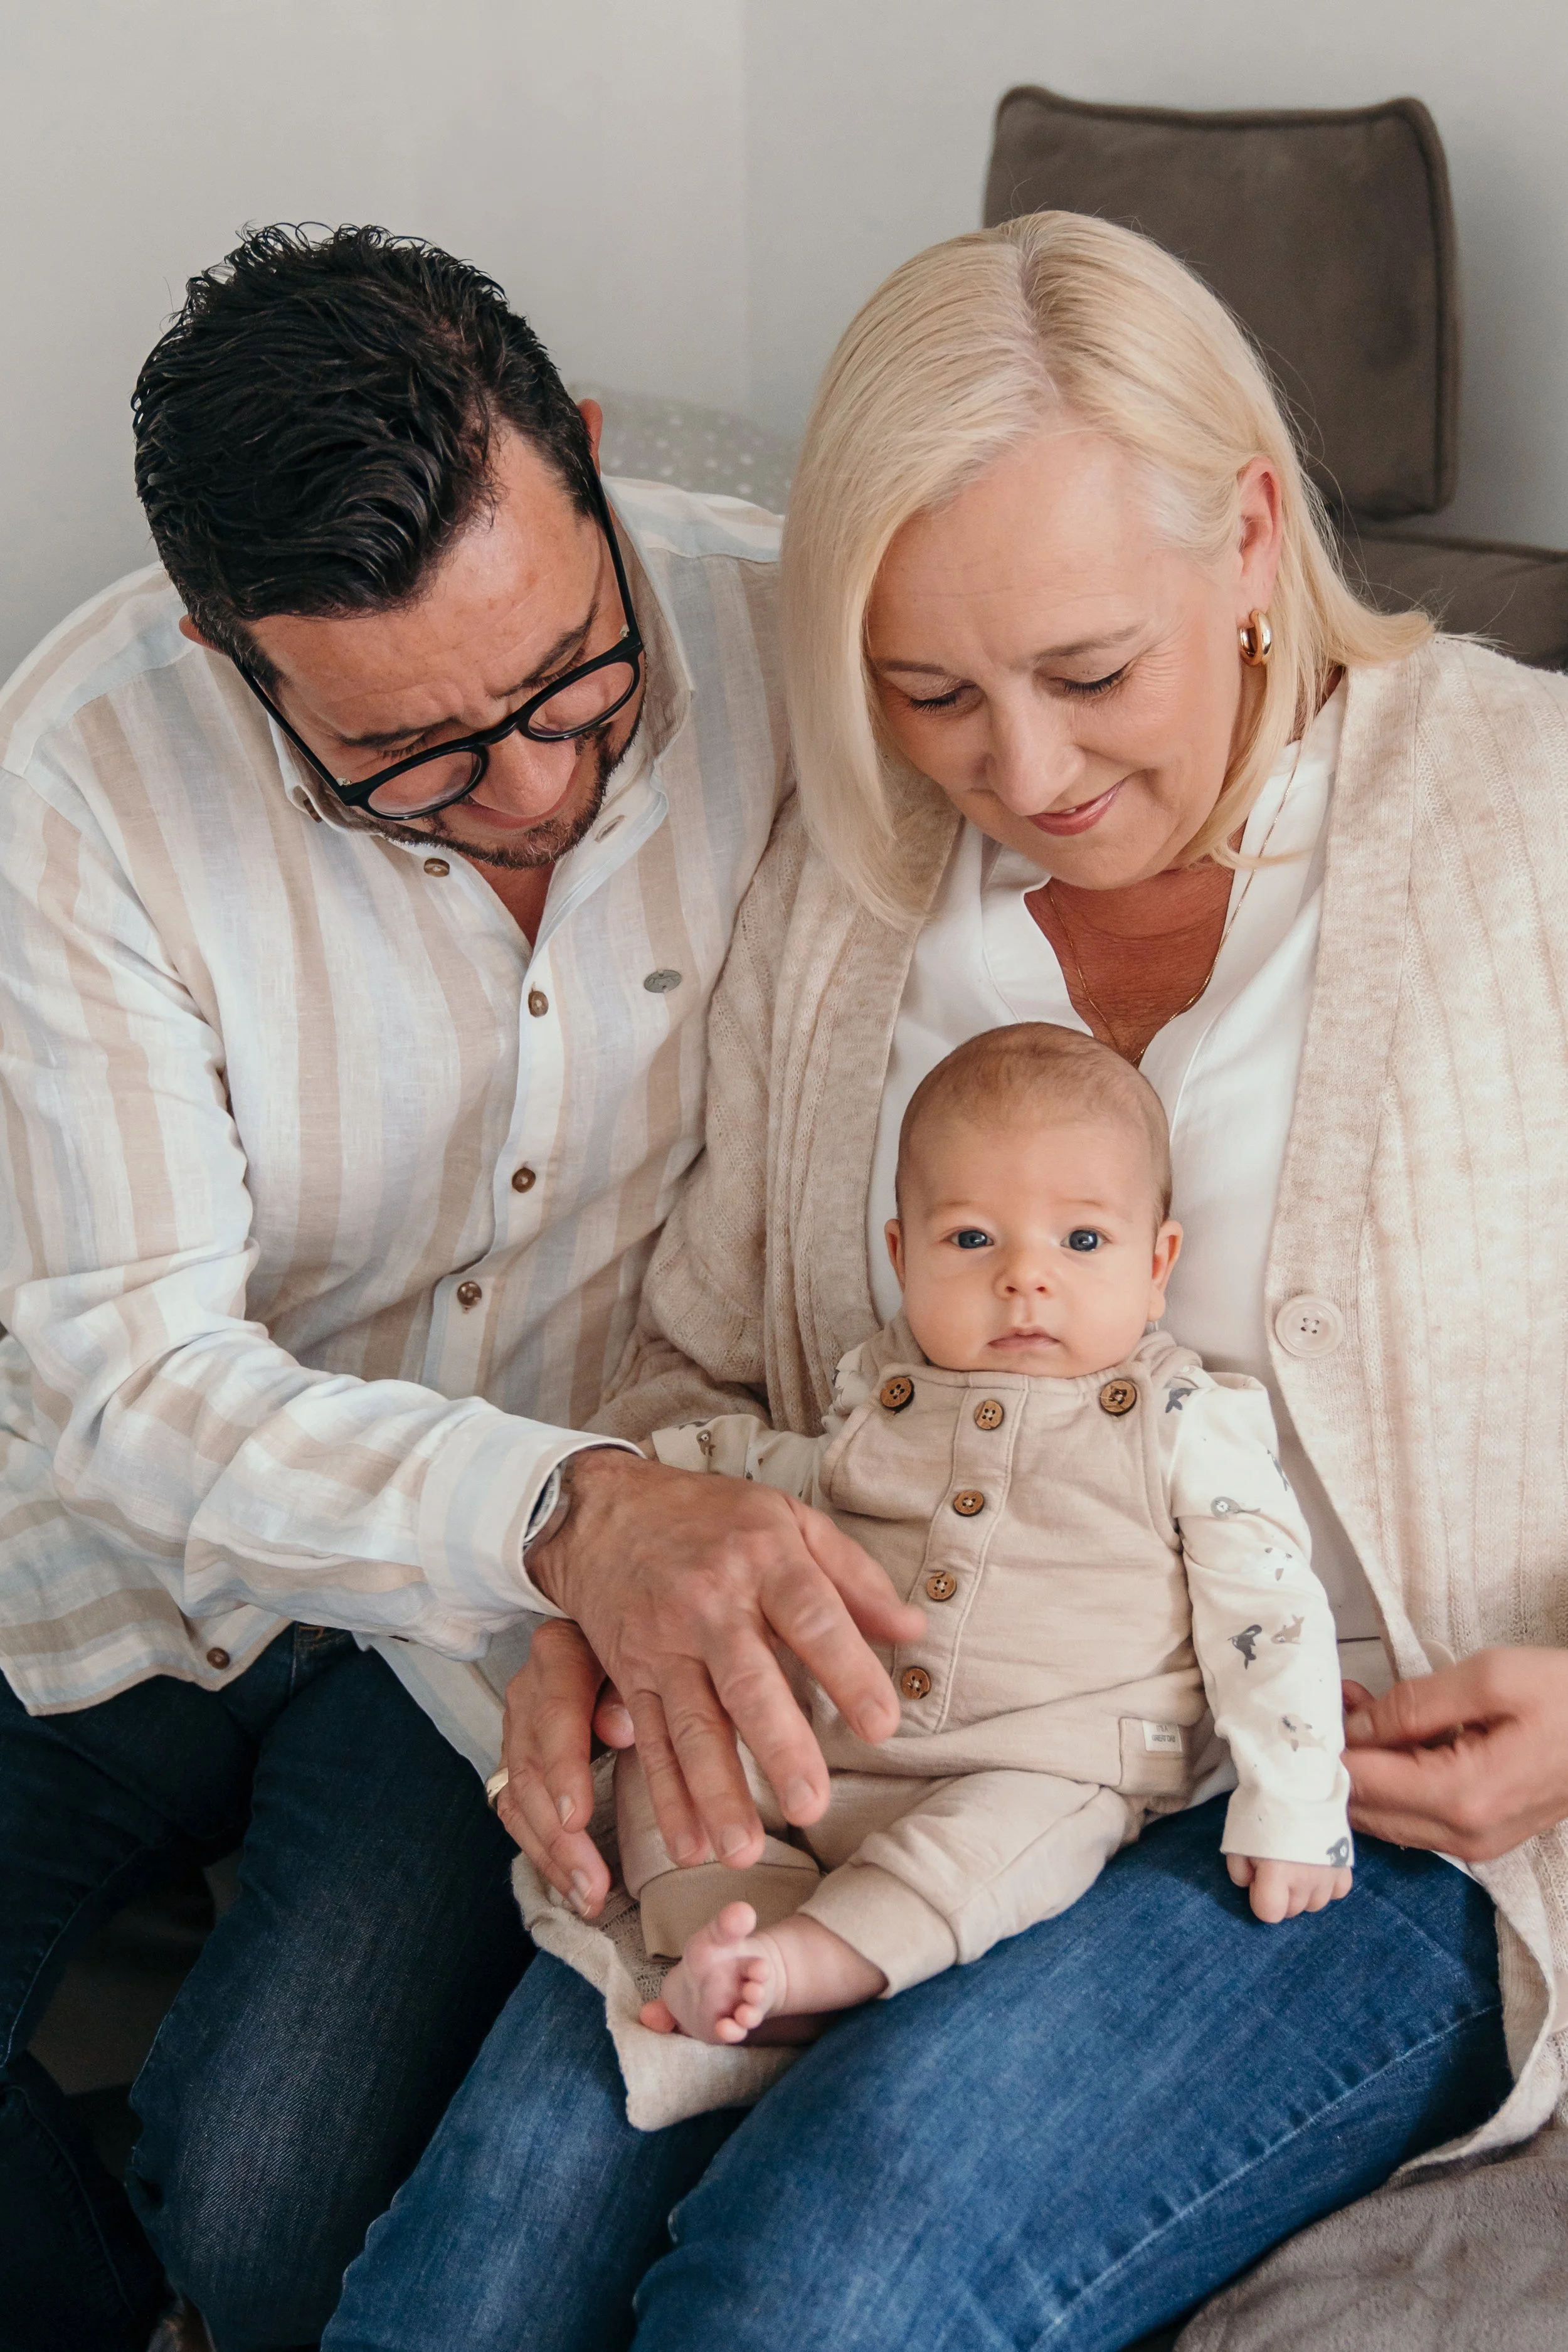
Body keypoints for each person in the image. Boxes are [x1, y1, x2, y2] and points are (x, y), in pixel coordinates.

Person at [324, 211, 1568, 2352]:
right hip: (870, 1740)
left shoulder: (1524, 817)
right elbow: (697, 1357)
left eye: (1093, 673)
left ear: (1255, 537)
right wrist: (596, 1590)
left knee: (823, 2275)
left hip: (1337, 1809)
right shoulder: (851, 885)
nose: (1025, 772)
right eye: (928, 690)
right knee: (470, 2278)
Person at [0, 223, 920, 2352]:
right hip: (108, 1557)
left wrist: (586, 1542)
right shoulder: (77, 783)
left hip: (484, 1629)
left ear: (587, 466)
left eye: (572, 681)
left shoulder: (798, 637)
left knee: (262, 2209)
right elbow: (132, 1378)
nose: (531, 785)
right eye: (409, 761)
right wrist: (577, 1511)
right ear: (234, 653)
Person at [615, 1022, 1350, 2061]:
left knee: (999, 1853)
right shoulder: (882, 1387)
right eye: (971, 1240)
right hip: (826, 1730)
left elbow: (1270, 1611)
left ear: (1158, 1264)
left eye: (1082, 1242)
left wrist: (1295, 1804)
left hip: (1045, 1758)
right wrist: (653, 1476)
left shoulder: (1184, 1417)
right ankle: (723, 1934)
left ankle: (807, 1970)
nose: (1025, 1280)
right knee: (667, 1731)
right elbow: (796, 1482)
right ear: (901, 1255)